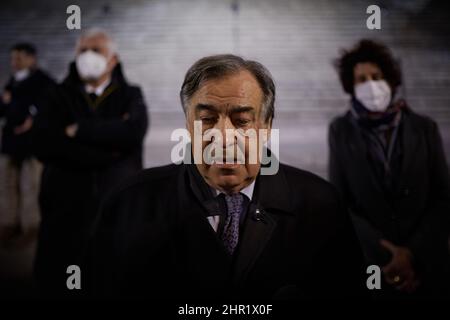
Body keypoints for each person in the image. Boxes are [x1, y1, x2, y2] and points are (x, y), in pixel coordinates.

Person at [90, 54, 367, 299]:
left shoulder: (321, 205)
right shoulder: (128, 203)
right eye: (207, 119)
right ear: (188, 124)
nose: (223, 136)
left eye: (242, 121)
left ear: (267, 125)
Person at [329, 39, 450, 298]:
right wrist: (385, 252)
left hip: (426, 265)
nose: (370, 85)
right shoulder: (340, 130)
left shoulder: (424, 128)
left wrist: (411, 253)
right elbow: (340, 202)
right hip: (372, 263)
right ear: (351, 86)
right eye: (361, 79)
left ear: (391, 80)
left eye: (376, 76)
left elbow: (442, 197)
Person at [32, 29, 148, 297]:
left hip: (116, 199)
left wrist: (78, 131)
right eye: (83, 50)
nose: (88, 56)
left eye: (96, 50)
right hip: (64, 202)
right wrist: (108, 151)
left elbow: (132, 133)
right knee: (60, 273)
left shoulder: (131, 94)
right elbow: (42, 143)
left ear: (113, 59)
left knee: (113, 272)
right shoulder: (56, 95)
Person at [0, 43, 55, 248]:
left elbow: (49, 108)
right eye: (13, 58)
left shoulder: (44, 81)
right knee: (7, 184)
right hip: (10, 142)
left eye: (19, 58)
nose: (15, 62)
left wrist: (33, 116)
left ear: (32, 58)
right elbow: (4, 106)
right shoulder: (13, 81)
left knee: (30, 185)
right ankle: (9, 223)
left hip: (32, 144)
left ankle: (31, 226)